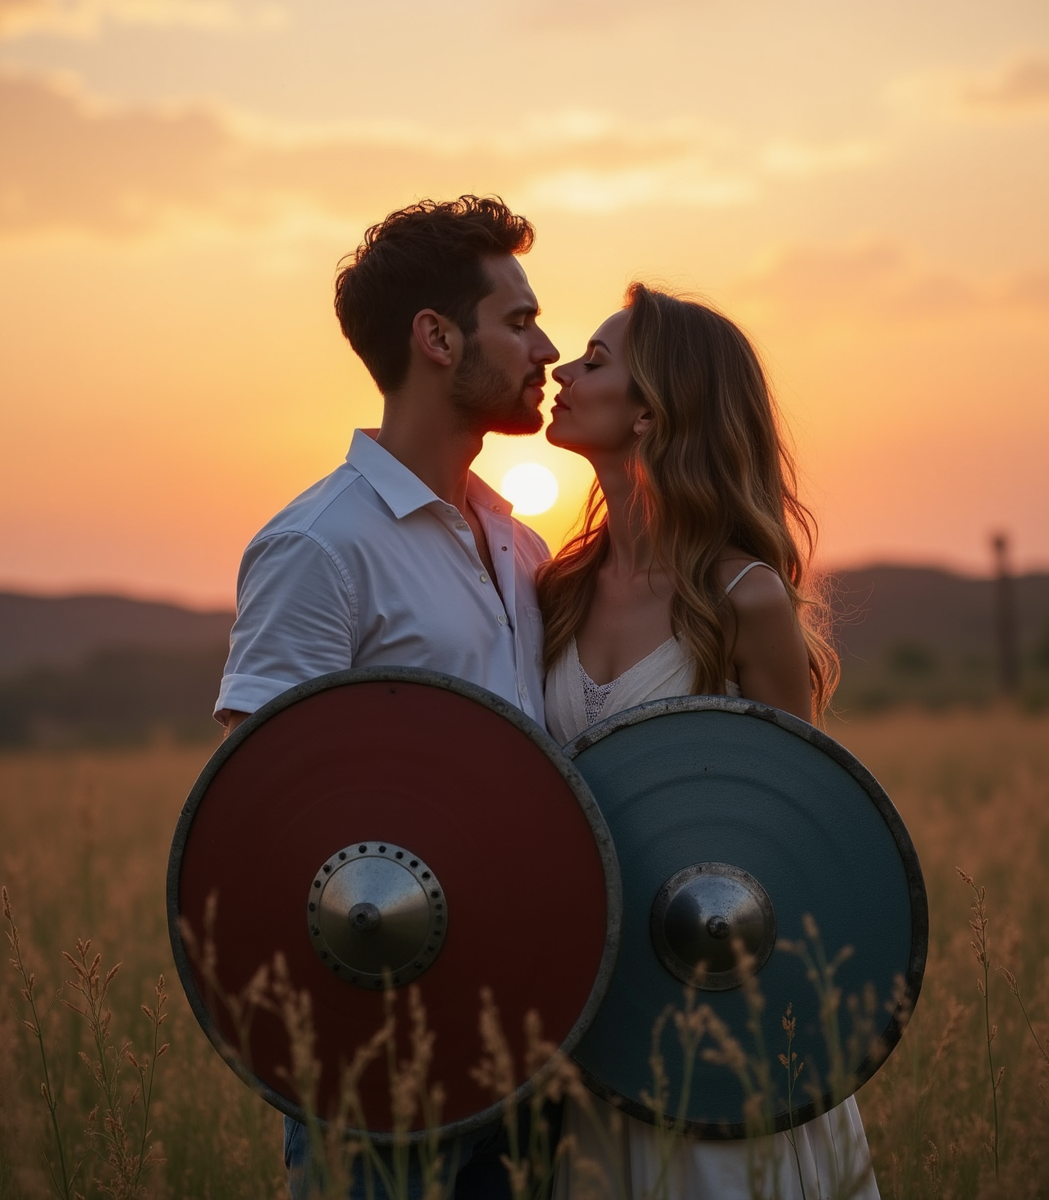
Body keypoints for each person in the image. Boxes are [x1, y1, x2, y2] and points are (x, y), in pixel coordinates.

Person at [215, 195, 562, 1199]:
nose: (543, 347)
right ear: (438, 337)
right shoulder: (317, 546)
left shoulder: (518, 541)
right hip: (381, 1052)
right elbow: (260, 808)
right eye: (519, 320)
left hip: (532, 1026)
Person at [538, 284, 879, 1199]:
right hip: (589, 1020)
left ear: (652, 410)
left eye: (595, 361)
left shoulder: (745, 600)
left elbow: (796, 833)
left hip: (717, 1017)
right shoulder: (551, 590)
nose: (562, 373)